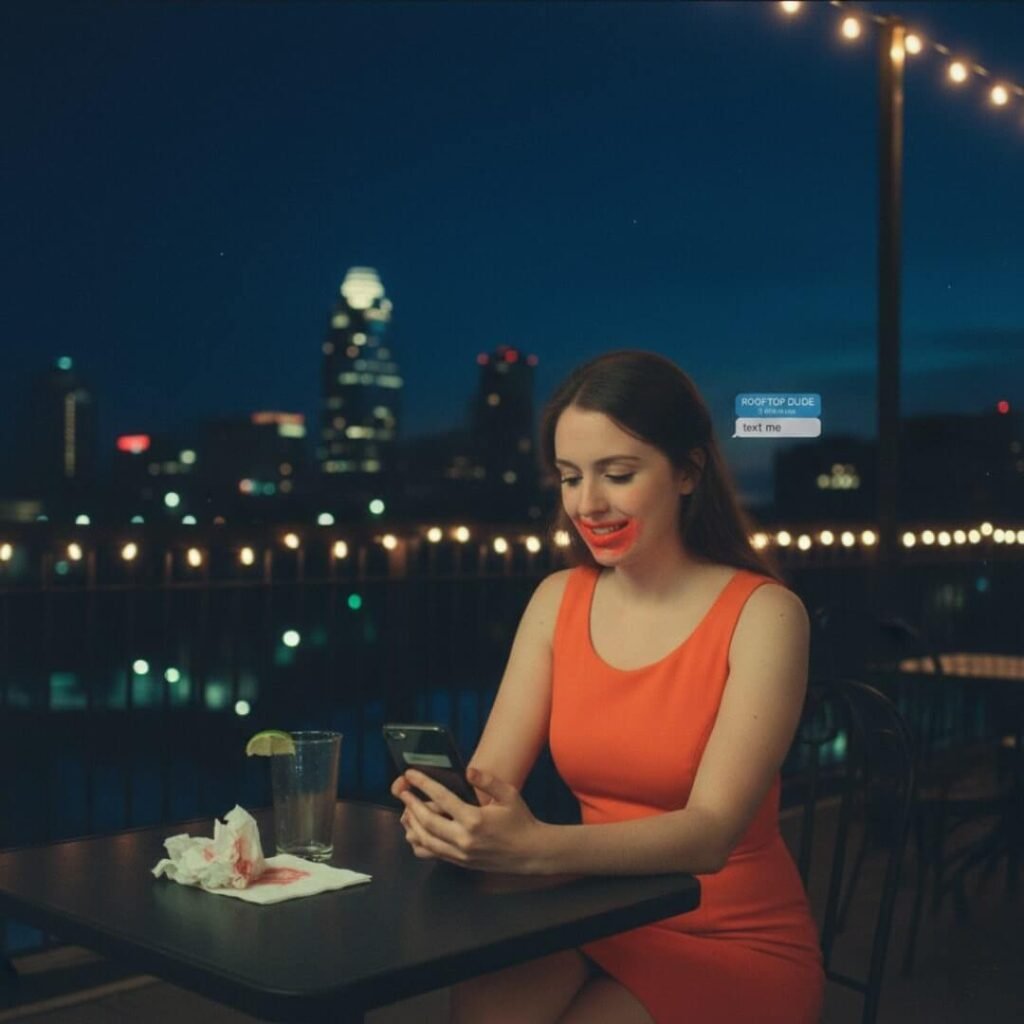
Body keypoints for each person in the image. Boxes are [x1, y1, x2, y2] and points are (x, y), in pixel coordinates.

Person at [393, 350, 824, 1023]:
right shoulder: (556, 599)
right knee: (483, 1006)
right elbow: (488, 779)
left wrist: (534, 848)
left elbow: (709, 835)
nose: (587, 505)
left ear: (688, 470)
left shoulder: (764, 615)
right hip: (593, 909)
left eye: (617, 475)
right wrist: (452, 819)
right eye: (569, 478)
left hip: (731, 935)